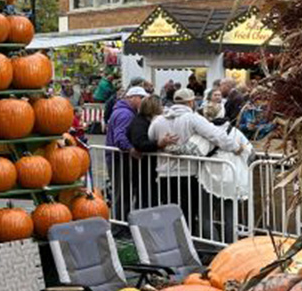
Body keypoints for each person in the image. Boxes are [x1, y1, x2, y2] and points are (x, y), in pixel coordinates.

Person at [148, 88, 245, 239]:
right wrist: (235, 147)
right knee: (187, 215)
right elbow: (215, 135)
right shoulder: (192, 118)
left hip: (164, 173)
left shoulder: (159, 120)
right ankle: (187, 247)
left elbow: (151, 138)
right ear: (191, 102)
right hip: (188, 174)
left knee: (169, 213)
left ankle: (171, 244)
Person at [105, 86, 147, 220]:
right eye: (141, 98)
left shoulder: (124, 111)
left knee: (123, 192)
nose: (143, 101)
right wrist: (131, 150)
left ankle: (121, 224)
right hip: (119, 158)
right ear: (132, 98)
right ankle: (119, 227)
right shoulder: (125, 114)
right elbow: (120, 137)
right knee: (122, 193)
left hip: (118, 158)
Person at [128, 95, 177, 208]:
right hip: (143, 168)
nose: (162, 108)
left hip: (148, 168)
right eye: (160, 105)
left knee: (151, 197)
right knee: (146, 198)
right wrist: (158, 144)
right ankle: (142, 224)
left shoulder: (145, 121)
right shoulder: (139, 123)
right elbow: (140, 143)